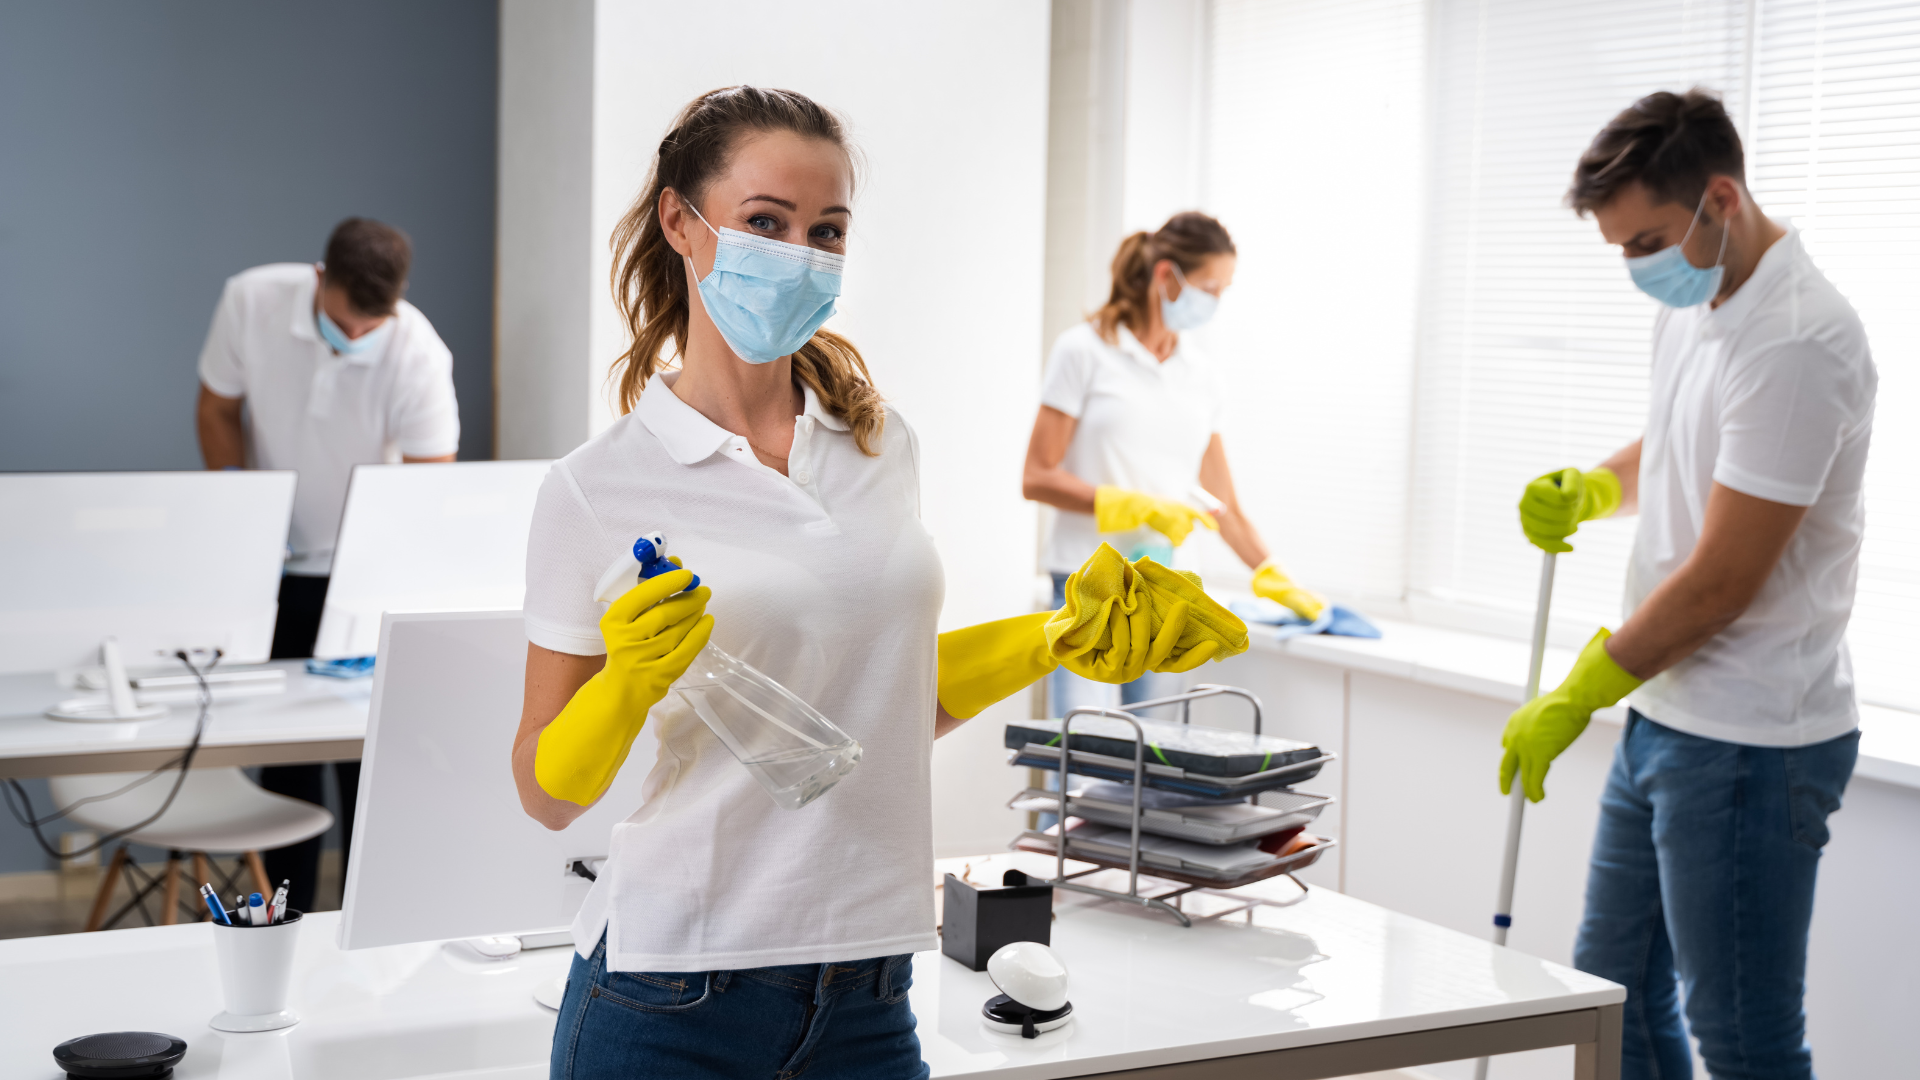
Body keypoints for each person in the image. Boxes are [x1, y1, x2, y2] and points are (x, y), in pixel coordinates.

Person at [508, 86, 1215, 1080]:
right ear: (682, 221)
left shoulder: (881, 446)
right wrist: (627, 680)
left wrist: (1052, 638)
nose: (801, 254)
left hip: (871, 991)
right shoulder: (597, 487)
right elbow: (543, 791)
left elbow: (894, 700)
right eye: (765, 223)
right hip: (672, 995)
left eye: (827, 230)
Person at [1501, 90, 1872, 1080]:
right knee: (1610, 996)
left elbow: (1722, 582)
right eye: (1620, 247)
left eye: (1648, 240)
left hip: (1753, 746)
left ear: (1721, 198)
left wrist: (1583, 689)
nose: (1635, 267)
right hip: (1668, 713)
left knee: (1742, 1038)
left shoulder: (1799, 340)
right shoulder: (1702, 296)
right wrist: (1595, 486)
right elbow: (1682, 441)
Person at [196, 216, 461, 912]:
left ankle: (360, 927)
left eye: (374, 326)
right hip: (272, 568)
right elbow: (218, 407)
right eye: (348, 322)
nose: (360, 338)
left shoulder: (417, 352)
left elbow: (430, 486)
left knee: (365, 758)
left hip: (363, 581)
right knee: (288, 765)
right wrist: (242, 510)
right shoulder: (251, 301)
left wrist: (380, 572)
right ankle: (289, 919)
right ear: (320, 280)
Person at [1022, 212, 1322, 721]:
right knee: (1082, 756)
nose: (1216, 302)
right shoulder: (1085, 351)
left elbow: (1222, 503)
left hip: (1167, 592)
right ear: (1167, 276)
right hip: (1088, 584)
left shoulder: (1202, 377)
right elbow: (1037, 476)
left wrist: (1271, 572)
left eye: (1224, 289)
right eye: (1209, 287)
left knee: (1152, 762)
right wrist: (1132, 505)